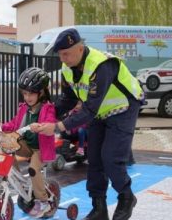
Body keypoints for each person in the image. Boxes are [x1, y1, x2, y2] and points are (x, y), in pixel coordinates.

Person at [36, 28, 144, 220]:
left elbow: (89, 109)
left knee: (111, 158)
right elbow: (68, 99)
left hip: (123, 107)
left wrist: (59, 127)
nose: (63, 59)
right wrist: (46, 117)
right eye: (60, 55)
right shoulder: (67, 69)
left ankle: (126, 197)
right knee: (94, 160)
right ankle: (99, 208)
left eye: (66, 54)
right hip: (99, 112)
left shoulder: (101, 65)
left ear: (80, 48)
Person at [0, 67, 56, 218]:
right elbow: (14, 123)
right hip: (27, 145)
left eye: (31, 93)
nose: (27, 97)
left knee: (34, 169)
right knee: (4, 147)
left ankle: (44, 201)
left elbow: (50, 122)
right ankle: (19, 181)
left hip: (40, 149)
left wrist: (40, 127)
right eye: (25, 93)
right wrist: (0, 126)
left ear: (41, 92)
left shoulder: (48, 108)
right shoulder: (23, 108)